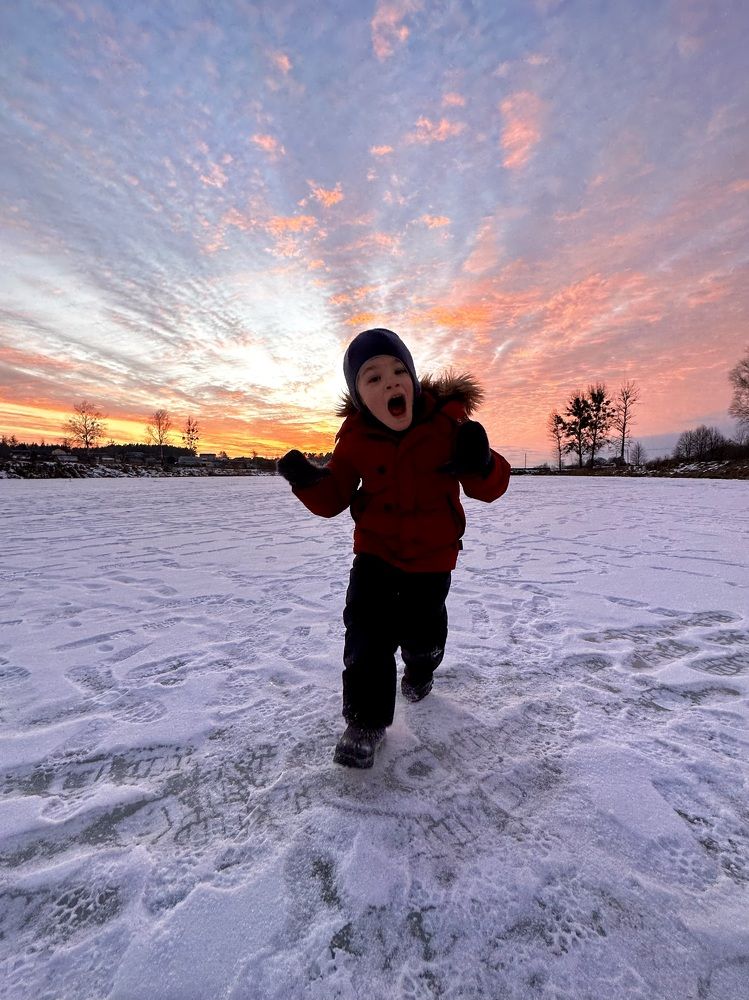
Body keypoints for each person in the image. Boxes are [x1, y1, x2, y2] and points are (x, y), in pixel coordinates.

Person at [277, 328, 511, 768]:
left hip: (432, 556)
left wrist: (481, 461)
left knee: (422, 633)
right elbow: (334, 496)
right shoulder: (355, 439)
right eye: (373, 377)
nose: (390, 382)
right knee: (367, 631)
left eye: (399, 371)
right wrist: (308, 481)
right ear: (360, 397)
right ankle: (365, 721)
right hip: (376, 554)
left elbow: (490, 486)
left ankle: (422, 665)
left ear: (415, 379)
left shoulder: (448, 424)